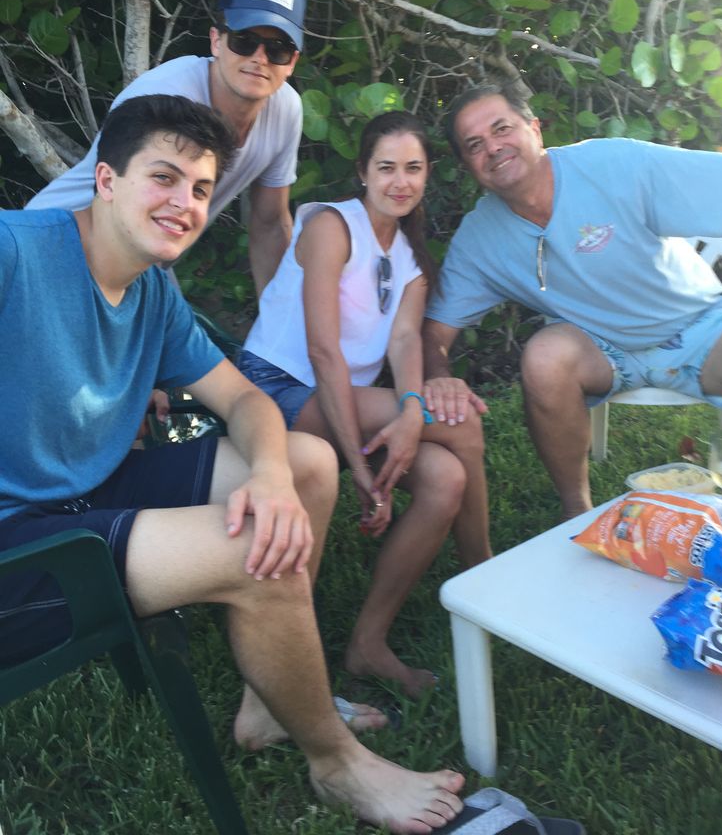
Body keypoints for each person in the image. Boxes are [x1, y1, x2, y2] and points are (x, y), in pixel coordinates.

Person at [0, 94, 465, 833]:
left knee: (306, 463)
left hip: (88, 488)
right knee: (257, 554)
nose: (182, 203)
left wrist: (272, 478)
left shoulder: (152, 290)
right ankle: (337, 763)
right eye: (163, 177)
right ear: (106, 181)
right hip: (17, 542)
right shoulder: (16, 251)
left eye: (200, 188)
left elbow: (247, 400)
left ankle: (267, 702)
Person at [422, 80, 722, 520]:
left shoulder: (615, 164)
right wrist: (439, 375)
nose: (493, 147)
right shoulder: (479, 239)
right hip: (602, 347)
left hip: (699, 325)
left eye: (502, 128)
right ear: (468, 165)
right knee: (544, 357)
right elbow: (435, 331)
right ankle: (577, 514)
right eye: (475, 144)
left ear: (534, 129)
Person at [238, 111, 491, 697]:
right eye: (386, 168)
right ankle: (486, 578)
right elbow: (323, 352)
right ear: (362, 172)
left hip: (339, 402)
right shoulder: (332, 225)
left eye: (413, 168)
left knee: (447, 479)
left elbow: (404, 342)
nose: (400, 182)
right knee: (462, 429)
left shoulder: (410, 256)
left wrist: (411, 410)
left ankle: (367, 644)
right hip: (276, 387)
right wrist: (360, 468)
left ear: (427, 174)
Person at [26, 0, 305, 296]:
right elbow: (115, 210)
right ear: (216, 41)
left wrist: (280, 324)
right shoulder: (164, 96)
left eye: (277, 49)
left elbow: (270, 224)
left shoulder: (286, 111)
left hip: (140, 263)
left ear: (292, 62)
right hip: (59, 244)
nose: (259, 58)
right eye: (244, 40)